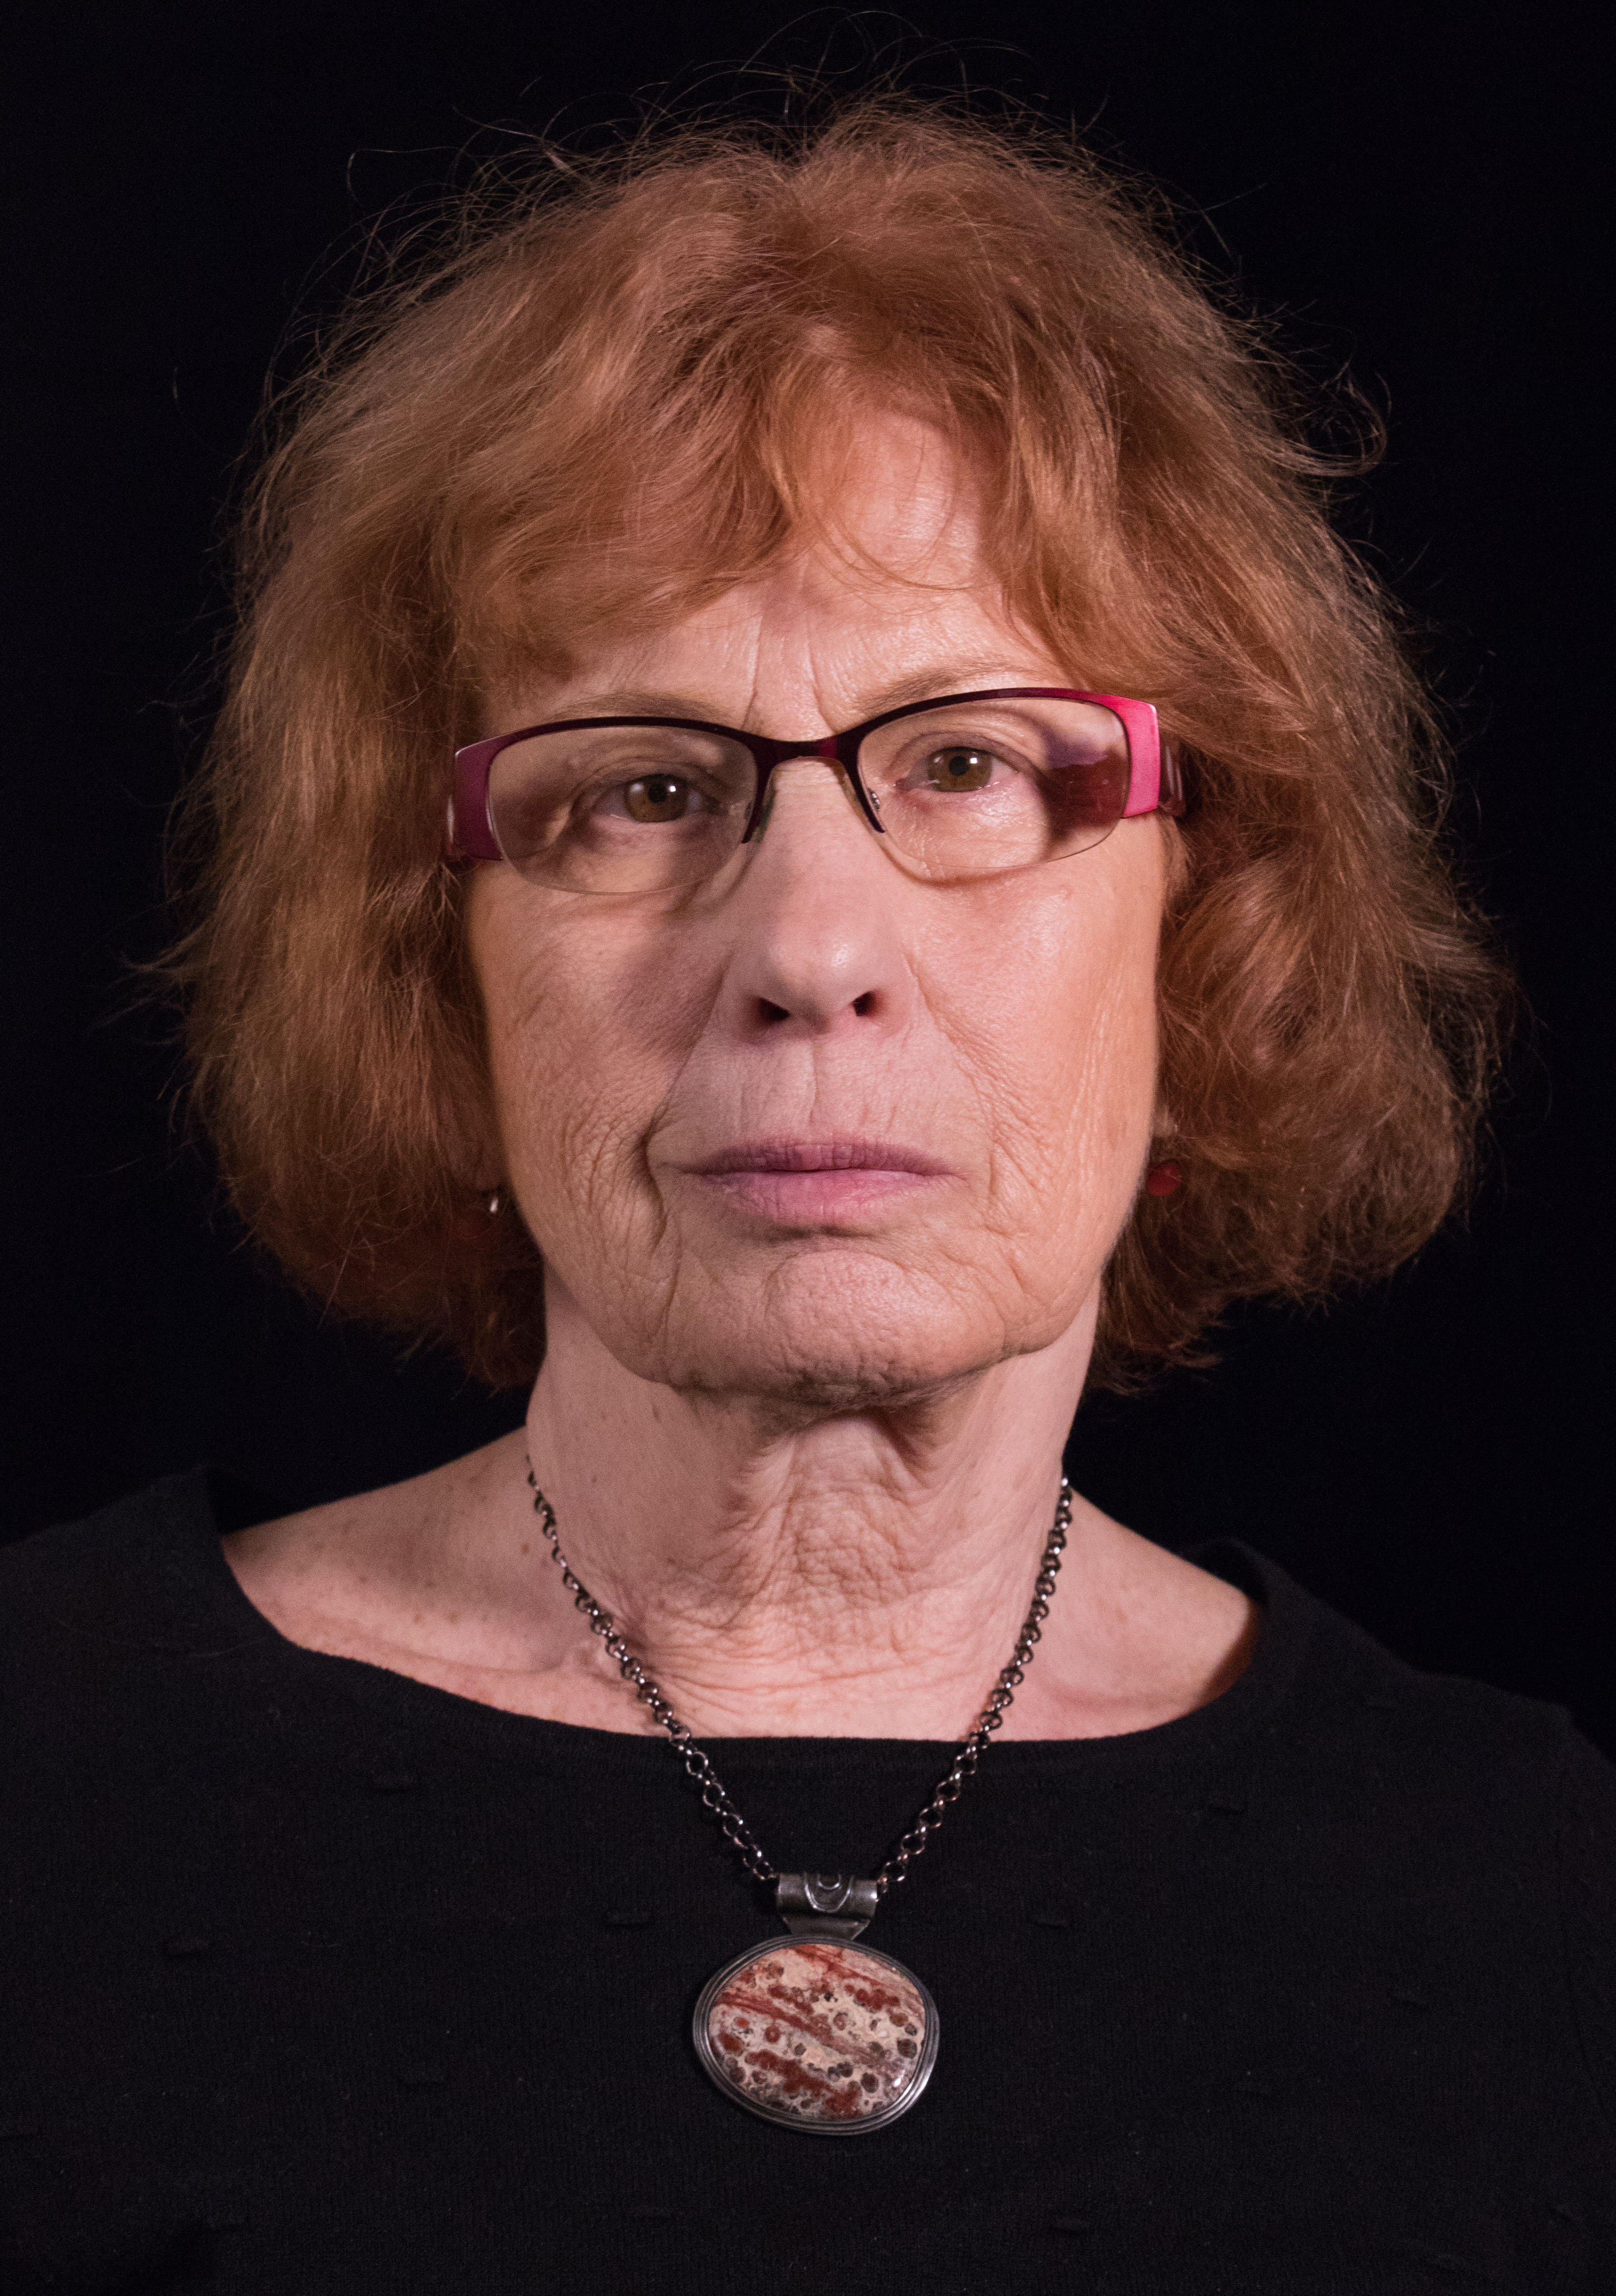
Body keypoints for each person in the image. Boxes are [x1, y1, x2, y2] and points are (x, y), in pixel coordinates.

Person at [2, 101, 1610, 2292]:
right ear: (435, 965)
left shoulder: (1531, 1896)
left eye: (970, 763)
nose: (809, 947)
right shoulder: (46, 1768)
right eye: (645, 790)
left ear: (1211, 915)